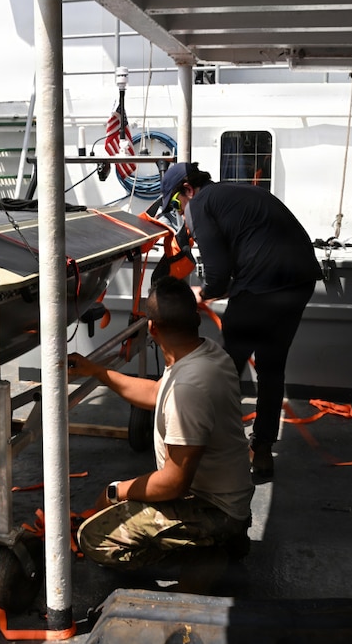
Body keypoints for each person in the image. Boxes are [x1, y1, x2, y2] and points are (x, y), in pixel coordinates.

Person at [69, 276, 254, 592]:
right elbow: (158, 392)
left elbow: (173, 482)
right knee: (125, 503)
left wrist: (115, 491)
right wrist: (97, 371)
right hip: (224, 497)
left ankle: (205, 552)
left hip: (213, 508)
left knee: (94, 538)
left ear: (152, 329)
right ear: (195, 318)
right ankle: (218, 541)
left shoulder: (188, 390)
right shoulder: (205, 353)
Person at [160, 161, 322, 481]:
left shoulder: (202, 203)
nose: (181, 213)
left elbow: (219, 277)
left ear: (189, 190)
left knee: (224, 370)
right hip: (300, 280)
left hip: (261, 285)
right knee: (271, 367)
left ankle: (210, 447)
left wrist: (200, 293)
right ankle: (261, 451)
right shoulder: (233, 193)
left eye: (178, 205)